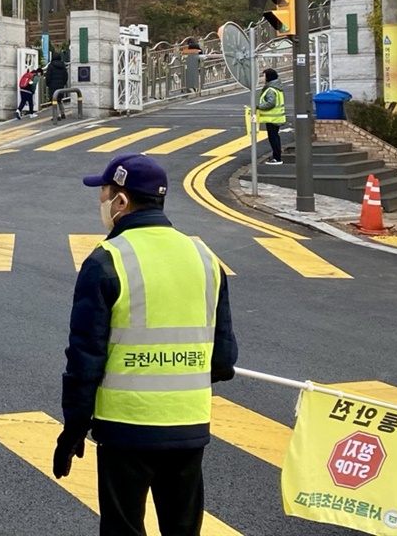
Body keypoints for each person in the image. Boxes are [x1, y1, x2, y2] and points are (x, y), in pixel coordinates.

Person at [53, 153, 238, 536]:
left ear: (120, 202)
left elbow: (85, 359)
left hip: (126, 429)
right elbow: (224, 360)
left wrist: (73, 428)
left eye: (103, 194)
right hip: (188, 426)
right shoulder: (205, 258)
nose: (100, 203)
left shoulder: (107, 260)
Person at [257, 68, 286, 165]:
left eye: (264, 76)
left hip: (272, 118)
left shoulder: (270, 89)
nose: (262, 78)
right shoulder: (277, 87)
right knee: (275, 137)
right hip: (276, 117)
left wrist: (259, 107)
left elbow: (270, 103)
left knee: (273, 138)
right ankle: (277, 157)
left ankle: (277, 158)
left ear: (268, 77)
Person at [45, 52, 71, 118]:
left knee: (54, 100)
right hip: (60, 85)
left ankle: (56, 115)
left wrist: (47, 84)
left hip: (52, 85)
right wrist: (63, 83)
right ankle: (63, 113)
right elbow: (66, 75)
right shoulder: (63, 65)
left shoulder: (50, 66)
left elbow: (48, 76)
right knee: (60, 99)